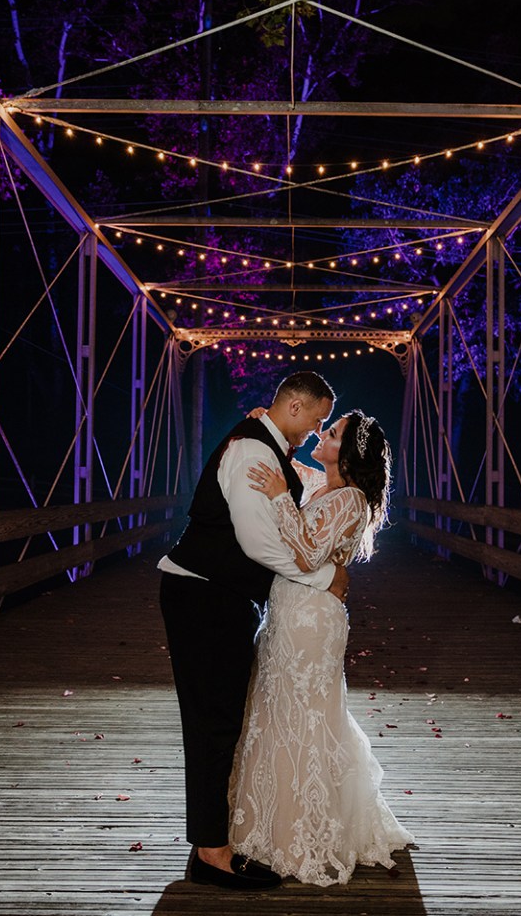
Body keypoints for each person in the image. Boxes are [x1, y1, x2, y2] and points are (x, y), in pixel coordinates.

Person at [157, 372, 349, 891]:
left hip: (219, 596)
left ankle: (211, 842)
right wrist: (326, 578)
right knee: (214, 724)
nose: (315, 431)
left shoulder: (269, 450)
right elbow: (259, 544)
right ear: (294, 407)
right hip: (203, 595)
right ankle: (211, 855)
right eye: (316, 420)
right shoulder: (252, 452)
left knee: (221, 721)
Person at [229, 409, 414, 886]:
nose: (320, 433)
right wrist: (264, 424)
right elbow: (283, 461)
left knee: (306, 715)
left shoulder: (350, 499)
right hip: (287, 610)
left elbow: (308, 553)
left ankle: (306, 831)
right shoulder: (322, 485)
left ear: (345, 455)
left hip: (311, 620)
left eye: (330, 433)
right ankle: (270, 818)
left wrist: (279, 498)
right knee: (277, 711)